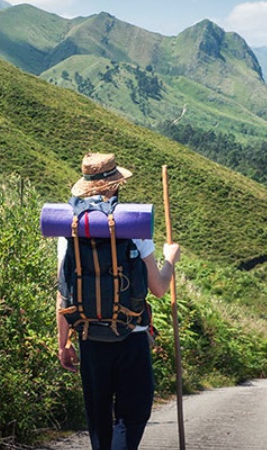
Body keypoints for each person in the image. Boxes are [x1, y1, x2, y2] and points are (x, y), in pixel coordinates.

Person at [56, 152, 180, 450]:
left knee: (99, 421)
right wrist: (170, 260)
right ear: (114, 185)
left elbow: (63, 292)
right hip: (132, 335)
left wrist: (63, 343)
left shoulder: (70, 228)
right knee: (132, 416)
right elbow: (159, 288)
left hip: (89, 337)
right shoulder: (132, 225)